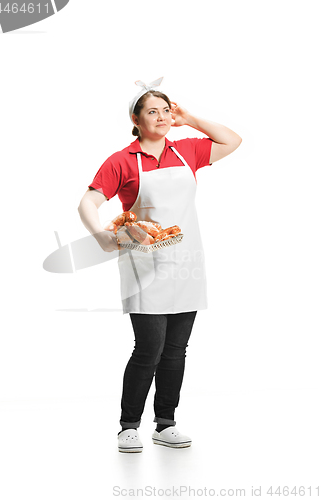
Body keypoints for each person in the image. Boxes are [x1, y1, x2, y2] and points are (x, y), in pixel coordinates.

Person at [78, 78, 242, 453]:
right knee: (148, 348)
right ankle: (128, 426)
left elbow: (232, 141)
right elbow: (87, 203)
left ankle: (165, 422)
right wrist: (102, 237)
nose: (163, 117)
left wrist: (190, 118)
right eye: (153, 111)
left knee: (176, 350)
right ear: (135, 119)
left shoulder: (187, 152)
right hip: (143, 263)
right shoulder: (122, 160)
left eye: (167, 110)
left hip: (187, 261)